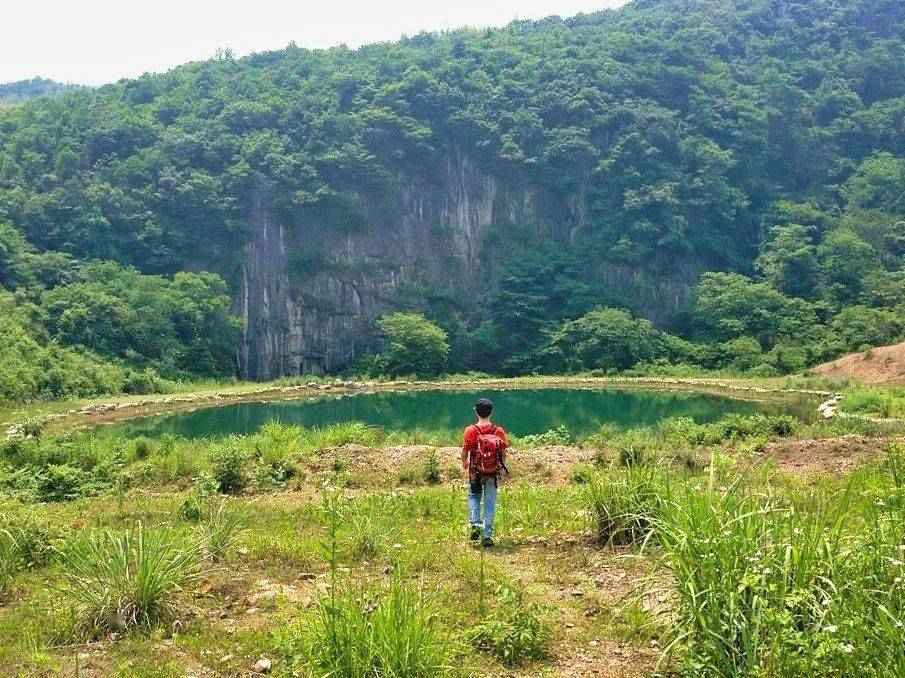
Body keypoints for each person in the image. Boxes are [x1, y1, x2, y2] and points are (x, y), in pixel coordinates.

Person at [461, 397, 509, 547]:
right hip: (492, 472)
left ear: (476, 411)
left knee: (474, 496)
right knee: (490, 502)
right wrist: (501, 467)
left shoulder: (470, 430)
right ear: (491, 412)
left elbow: (465, 451)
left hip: (475, 471)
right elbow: (503, 453)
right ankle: (487, 535)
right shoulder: (498, 431)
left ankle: (475, 525)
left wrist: (464, 462)